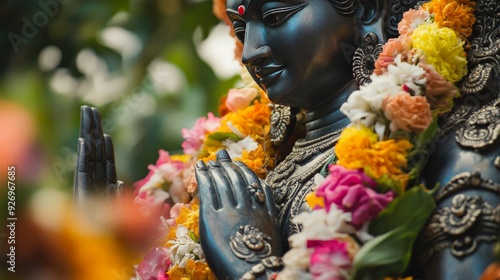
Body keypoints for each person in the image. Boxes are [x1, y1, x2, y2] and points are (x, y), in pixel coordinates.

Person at [75, 0, 500, 279]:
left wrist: (250, 266)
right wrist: (92, 255)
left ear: (366, 8)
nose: (253, 50)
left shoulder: (454, 147)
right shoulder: (243, 161)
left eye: (275, 17)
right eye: (241, 27)